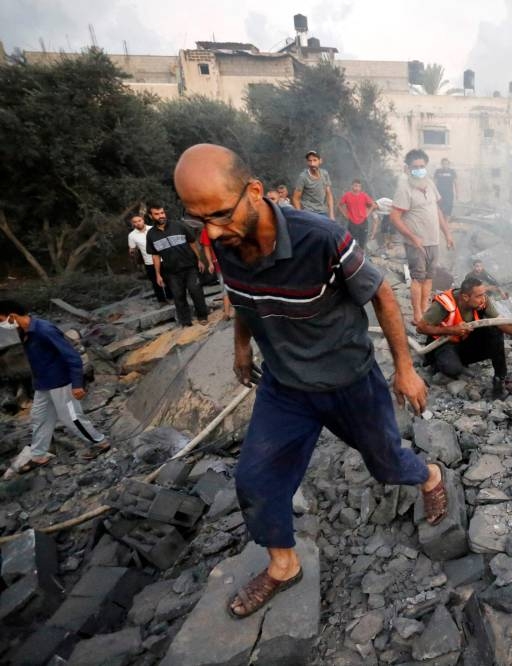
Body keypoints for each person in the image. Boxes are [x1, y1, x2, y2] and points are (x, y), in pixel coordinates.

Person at [173, 143, 447, 619]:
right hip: (285, 387)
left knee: (386, 465)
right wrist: (242, 348)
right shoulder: (225, 242)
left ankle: (430, 476)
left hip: (350, 382)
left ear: (254, 192)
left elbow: (381, 295)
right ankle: (283, 565)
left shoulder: (320, 237)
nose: (211, 232)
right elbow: (242, 296)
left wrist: (404, 369)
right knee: (256, 479)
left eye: (218, 215)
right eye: (200, 221)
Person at [0, 300, 109, 473]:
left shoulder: (44, 330)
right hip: (43, 384)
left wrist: (77, 384)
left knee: (71, 417)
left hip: (61, 382)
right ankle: (38, 454)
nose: (2, 324)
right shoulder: (24, 331)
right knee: (39, 417)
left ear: (12, 316)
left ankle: (100, 442)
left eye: (1, 320)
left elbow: (72, 356)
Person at [416, 277, 512, 399]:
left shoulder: (482, 303)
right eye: (478, 296)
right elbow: (421, 328)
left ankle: (499, 379)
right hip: (443, 344)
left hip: (465, 342)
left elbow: (505, 327)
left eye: (484, 294)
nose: (483, 299)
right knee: (453, 369)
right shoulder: (444, 304)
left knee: (495, 330)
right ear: (465, 297)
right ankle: (438, 364)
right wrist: (451, 330)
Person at [390, 149, 455, 323]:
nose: (419, 170)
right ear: (407, 169)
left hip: (433, 240)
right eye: (415, 167)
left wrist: (447, 233)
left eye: (422, 166)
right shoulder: (404, 189)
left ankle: (426, 310)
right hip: (416, 243)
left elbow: (438, 211)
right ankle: (417, 315)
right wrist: (412, 237)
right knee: (418, 278)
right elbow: (394, 217)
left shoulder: (431, 184)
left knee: (429, 277)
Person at [145, 202, 209, 327]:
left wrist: (199, 260)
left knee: (195, 290)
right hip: (171, 271)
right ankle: (185, 322)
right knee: (178, 296)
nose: (161, 216)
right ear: (151, 216)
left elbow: (192, 242)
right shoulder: (151, 234)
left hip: (190, 266)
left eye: (162, 213)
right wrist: (158, 274)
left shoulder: (178, 225)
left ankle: (202, 315)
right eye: (157, 214)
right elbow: (155, 255)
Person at [127, 213, 170, 303]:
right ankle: (162, 301)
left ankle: (171, 298)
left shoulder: (153, 229)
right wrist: (132, 253)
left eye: (139, 220)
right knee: (155, 283)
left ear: (143, 220)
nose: (138, 223)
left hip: (163, 259)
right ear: (132, 224)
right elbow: (132, 249)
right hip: (149, 262)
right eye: (135, 222)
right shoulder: (131, 235)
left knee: (168, 280)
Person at [199, 225, 233, 319]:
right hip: (221, 261)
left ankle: (228, 312)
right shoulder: (207, 229)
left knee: (227, 285)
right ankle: (227, 312)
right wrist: (210, 263)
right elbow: (206, 247)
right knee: (226, 285)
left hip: (230, 260)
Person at [292, 150, 334, 218]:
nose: (312, 164)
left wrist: (331, 215)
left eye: (315, 160)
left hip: (323, 212)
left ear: (320, 161)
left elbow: (329, 194)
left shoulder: (324, 174)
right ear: (307, 162)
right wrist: (300, 215)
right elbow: (295, 198)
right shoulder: (303, 177)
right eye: (309, 161)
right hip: (308, 212)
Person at [338, 179, 377, 250]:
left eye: (359, 186)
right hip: (352, 222)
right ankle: (353, 258)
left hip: (363, 222)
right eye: (355, 186)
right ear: (352, 186)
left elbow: (373, 205)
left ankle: (362, 257)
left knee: (362, 242)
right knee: (352, 243)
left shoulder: (364, 195)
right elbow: (340, 205)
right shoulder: (347, 195)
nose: (357, 188)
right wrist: (345, 214)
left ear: (361, 187)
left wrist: (367, 214)